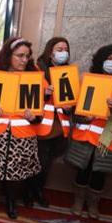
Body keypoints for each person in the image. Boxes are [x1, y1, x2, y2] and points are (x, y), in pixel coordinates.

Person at [65, 44, 112, 219]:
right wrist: (84, 118)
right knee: (83, 170)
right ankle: (78, 200)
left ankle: (93, 203)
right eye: (110, 59)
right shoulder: (87, 79)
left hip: (108, 139)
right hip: (86, 136)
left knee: (99, 173)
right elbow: (75, 111)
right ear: (101, 61)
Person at [0, 37, 42, 219]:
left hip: (23, 135)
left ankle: (11, 202)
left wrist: (34, 116)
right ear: (9, 55)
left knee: (18, 172)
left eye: (27, 56)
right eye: (20, 56)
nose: (24, 60)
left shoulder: (34, 77)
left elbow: (40, 109)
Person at [28, 37, 73, 207]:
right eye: (58, 49)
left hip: (60, 126)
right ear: (50, 51)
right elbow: (27, 97)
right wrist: (45, 94)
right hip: (40, 126)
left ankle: (37, 190)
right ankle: (30, 192)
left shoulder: (69, 72)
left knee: (47, 165)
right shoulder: (36, 69)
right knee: (38, 163)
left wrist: (70, 108)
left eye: (65, 49)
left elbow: (71, 100)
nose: (63, 52)